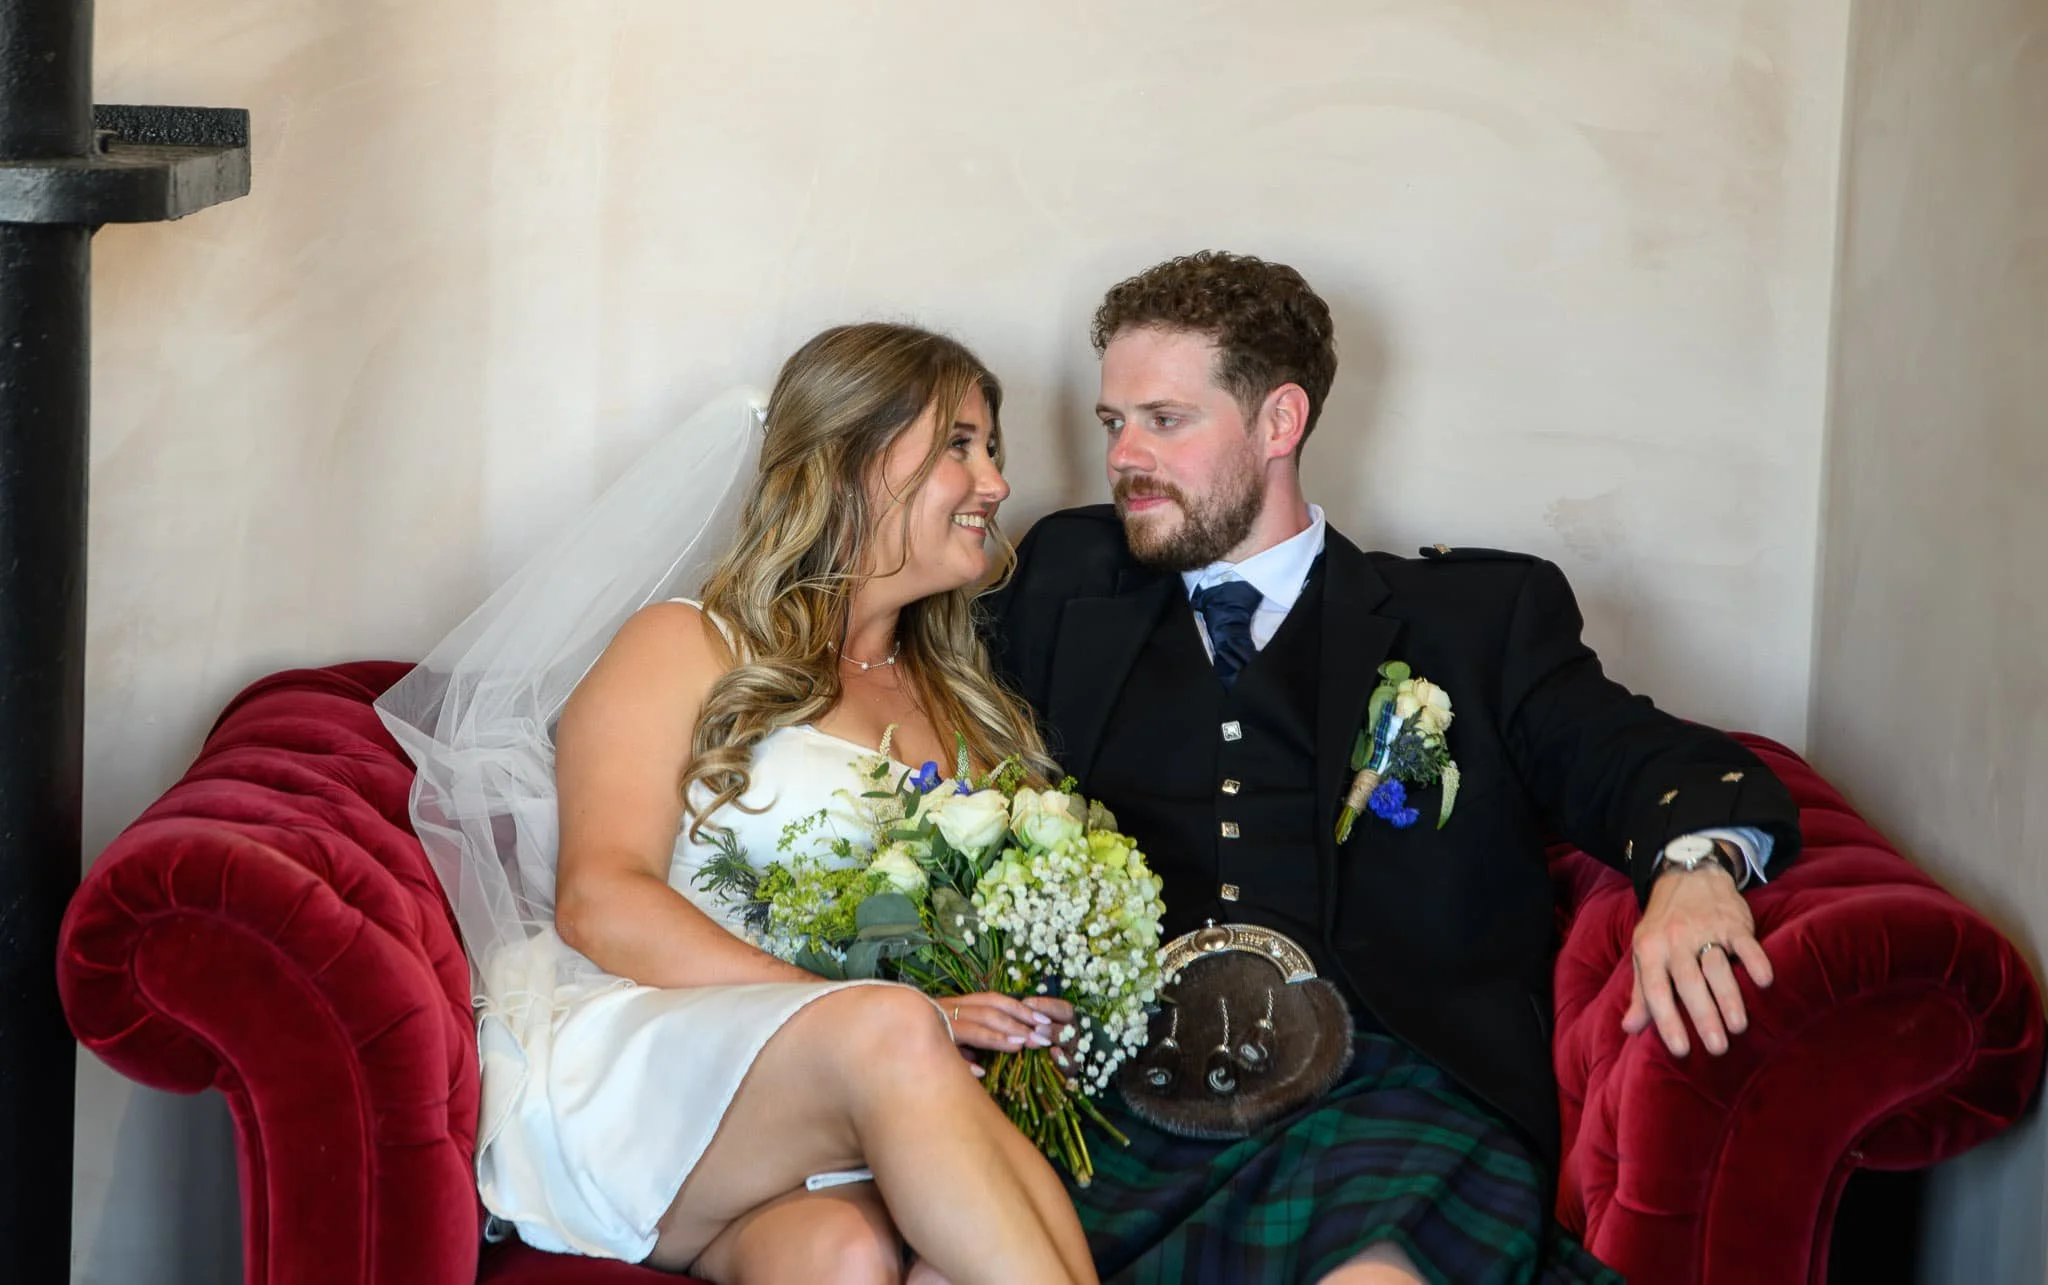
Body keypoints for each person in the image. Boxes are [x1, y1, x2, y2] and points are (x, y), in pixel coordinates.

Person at [986, 252, 1803, 1285]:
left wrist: (1691, 867)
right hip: (1117, 1088)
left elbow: (1635, 757)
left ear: (1279, 422)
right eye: (1113, 423)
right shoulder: (1065, 585)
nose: (1124, 458)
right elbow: (890, 668)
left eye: (1164, 419)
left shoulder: (1472, 623)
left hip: (1379, 1081)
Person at [381, 324, 1096, 1284]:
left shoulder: (967, 706)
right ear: (849, 464)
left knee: (843, 1256)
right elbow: (601, 900)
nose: (997, 483)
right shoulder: (686, 645)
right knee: (890, 1029)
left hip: (836, 1128)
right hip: (657, 1068)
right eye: (959, 445)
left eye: (993, 449)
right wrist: (880, 1012)